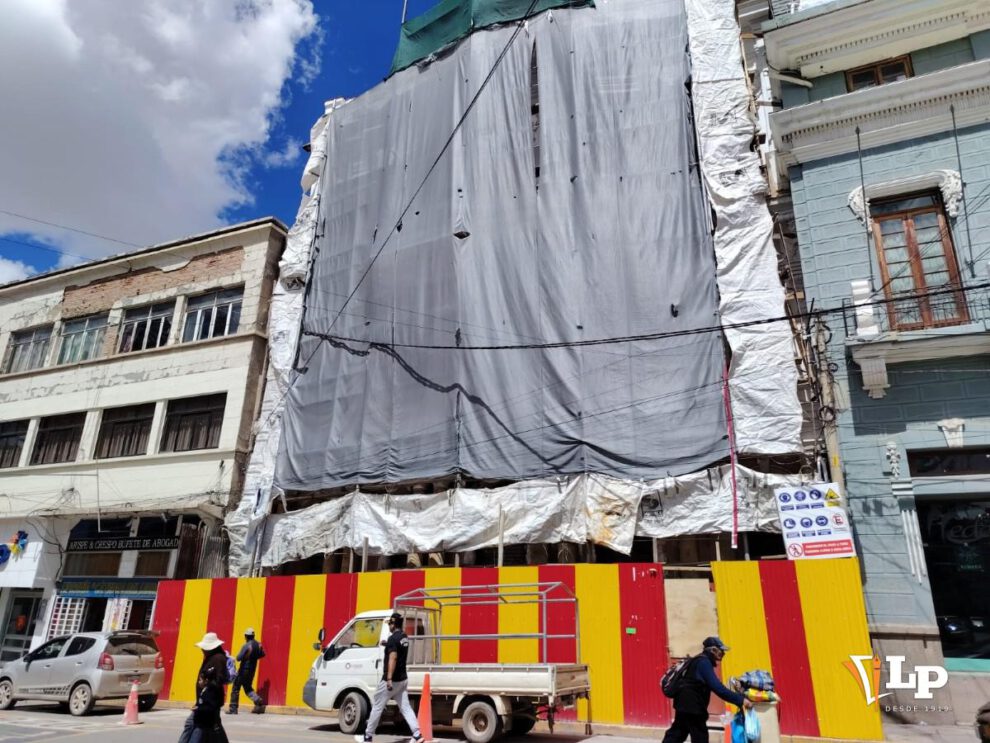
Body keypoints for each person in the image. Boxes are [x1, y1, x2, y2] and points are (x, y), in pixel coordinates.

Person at [662, 637, 751, 743]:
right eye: (721, 651)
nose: (723, 654)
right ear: (713, 650)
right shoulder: (704, 663)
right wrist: (740, 700)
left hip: (683, 704)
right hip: (693, 707)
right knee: (699, 736)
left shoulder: (699, 660)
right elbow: (718, 688)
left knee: (677, 734)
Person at [356, 612, 424, 743]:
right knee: (405, 707)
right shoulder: (404, 637)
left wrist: (388, 679)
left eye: (390, 623)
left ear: (393, 624)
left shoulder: (393, 639)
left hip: (392, 680)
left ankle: (367, 736)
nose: (389, 626)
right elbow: (396, 647)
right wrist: (387, 644)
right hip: (403, 679)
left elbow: (393, 657)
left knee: (377, 706)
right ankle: (417, 734)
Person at [178, 632, 229, 743]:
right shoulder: (212, 657)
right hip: (205, 701)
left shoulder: (218, 659)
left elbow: (219, 680)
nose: (202, 650)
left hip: (209, 701)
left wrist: (206, 684)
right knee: (213, 726)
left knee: (198, 726)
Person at [227, 627, 265, 714]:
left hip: (243, 670)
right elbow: (262, 655)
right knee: (248, 688)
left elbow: (239, 658)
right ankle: (257, 700)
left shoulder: (247, 645)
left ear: (246, 636)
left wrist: (238, 658)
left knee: (236, 688)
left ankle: (233, 709)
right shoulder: (259, 645)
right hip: (252, 670)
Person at [190, 664, 229, 743]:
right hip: (203, 723)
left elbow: (210, 707)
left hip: (205, 723)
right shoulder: (205, 690)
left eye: (200, 680)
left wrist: (198, 709)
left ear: (206, 681)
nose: (199, 682)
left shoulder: (209, 691)